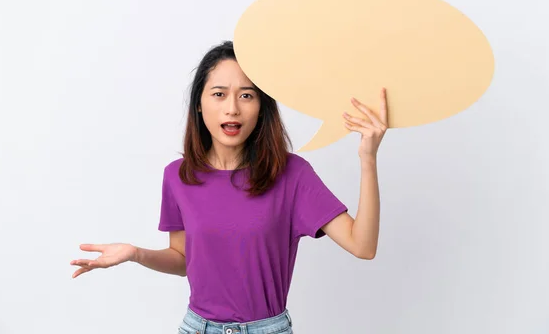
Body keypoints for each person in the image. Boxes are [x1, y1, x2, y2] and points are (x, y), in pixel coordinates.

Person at [70, 40, 388, 333]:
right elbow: (183, 260)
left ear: (262, 106)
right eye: (219, 94)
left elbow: (363, 246)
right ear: (199, 103)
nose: (232, 108)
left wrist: (367, 158)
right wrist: (136, 253)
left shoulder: (292, 174)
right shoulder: (177, 176)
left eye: (246, 95)